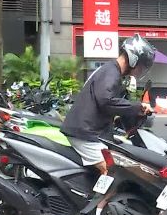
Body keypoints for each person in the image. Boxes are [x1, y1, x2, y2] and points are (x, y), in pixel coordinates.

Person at [61, 34, 157, 175]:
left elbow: (108, 103)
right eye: (141, 66)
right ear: (134, 59)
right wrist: (138, 107)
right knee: (113, 170)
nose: (140, 71)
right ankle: (101, 198)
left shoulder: (111, 71)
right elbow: (106, 101)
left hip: (89, 131)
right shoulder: (111, 73)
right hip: (86, 133)